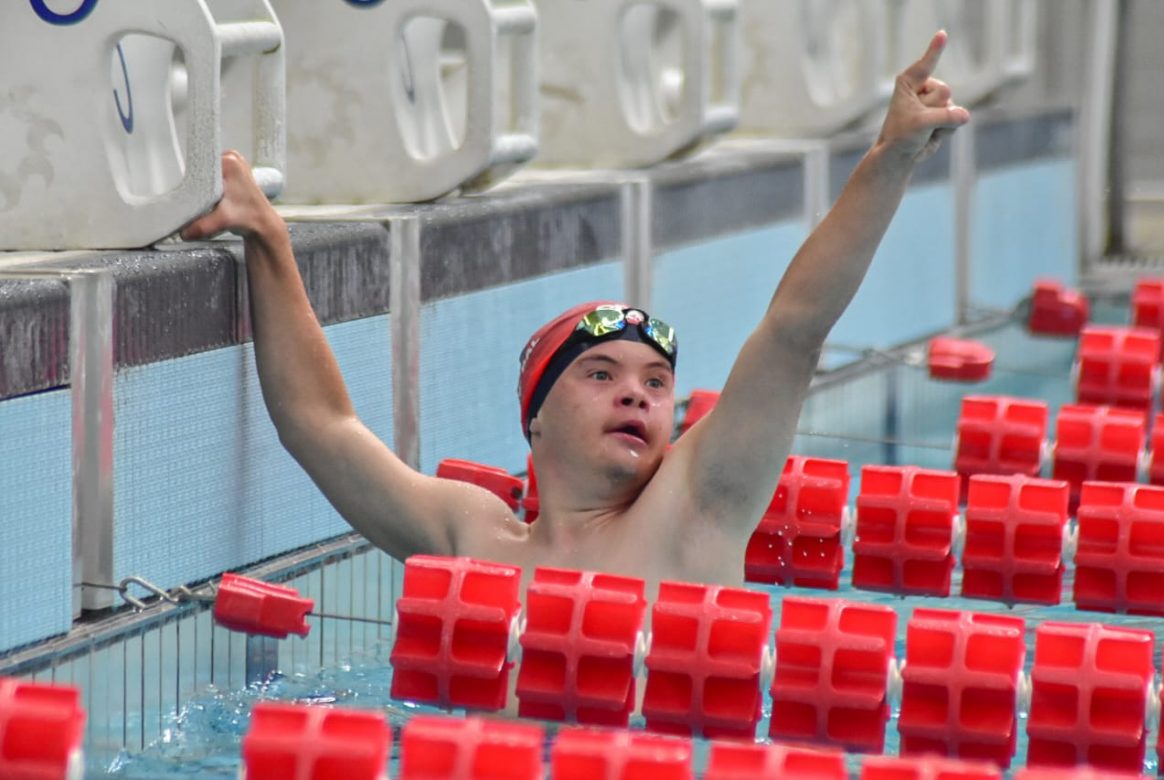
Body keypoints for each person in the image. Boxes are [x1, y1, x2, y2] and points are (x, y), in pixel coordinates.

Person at [181, 32, 969, 593]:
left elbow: (796, 329)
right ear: (535, 418)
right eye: (601, 373)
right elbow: (321, 427)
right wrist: (268, 239)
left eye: (658, 384)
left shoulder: (694, 510)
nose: (638, 395)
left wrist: (889, 159)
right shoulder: (472, 537)